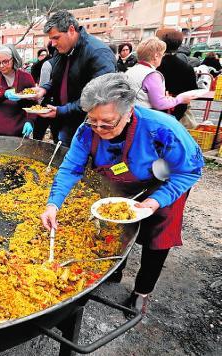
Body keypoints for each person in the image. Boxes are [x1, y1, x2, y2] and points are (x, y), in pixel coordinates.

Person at [41, 73, 203, 314]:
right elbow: (70, 168)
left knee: (156, 240)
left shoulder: (163, 129)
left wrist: (155, 201)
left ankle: (142, 292)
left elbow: (190, 171)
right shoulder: (87, 130)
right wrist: (53, 205)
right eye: (92, 120)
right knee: (116, 227)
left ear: (128, 113)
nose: (99, 128)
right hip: (120, 186)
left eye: (107, 123)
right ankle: (115, 269)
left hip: (164, 185)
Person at [32, 10, 116, 147]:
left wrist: (62, 110)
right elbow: (58, 79)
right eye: (51, 39)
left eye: (56, 38)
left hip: (87, 125)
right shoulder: (62, 51)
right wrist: (44, 89)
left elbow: (99, 96)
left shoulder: (98, 53)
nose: (52, 44)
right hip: (62, 122)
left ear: (71, 30)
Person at [125, 37, 197, 115]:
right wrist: (179, 99)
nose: (162, 58)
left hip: (130, 113)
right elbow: (159, 104)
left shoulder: (130, 71)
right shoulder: (152, 75)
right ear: (156, 56)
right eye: (162, 55)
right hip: (144, 116)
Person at [0, 45, 36, 137]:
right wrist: (5, 94)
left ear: (13, 59)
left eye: (5, 62)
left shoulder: (25, 77)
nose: (1, 66)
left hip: (18, 126)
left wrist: (30, 121)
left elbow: (34, 103)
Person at [156, 30, 199, 121]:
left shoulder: (156, 66)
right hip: (178, 108)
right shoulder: (187, 67)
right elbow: (193, 90)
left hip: (157, 106)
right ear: (179, 45)